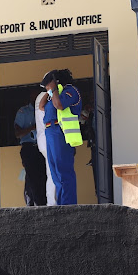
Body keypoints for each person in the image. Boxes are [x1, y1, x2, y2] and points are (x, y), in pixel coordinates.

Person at [40, 69, 83, 205]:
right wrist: (49, 91)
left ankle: (68, 204)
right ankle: (62, 205)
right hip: (50, 131)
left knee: (63, 170)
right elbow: (42, 106)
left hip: (61, 132)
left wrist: (54, 89)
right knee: (55, 173)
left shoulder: (71, 91)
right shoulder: (54, 93)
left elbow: (59, 105)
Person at [14, 91, 47, 206]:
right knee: (32, 178)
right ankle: (34, 204)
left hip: (42, 148)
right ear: (31, 97)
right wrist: (32, 127)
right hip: (29, 148)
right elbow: (17, 133)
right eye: (34, 96)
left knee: (43, 176)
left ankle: (41, 204)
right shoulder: (24, 112)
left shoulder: (45, 109)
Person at [34, 90, 57, 206]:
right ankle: (52, 202)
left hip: (43, 139)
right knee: (52, 172)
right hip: (48, 138)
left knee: (51, 171)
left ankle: (52, 201)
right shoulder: (46, 96)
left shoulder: (40, 96)